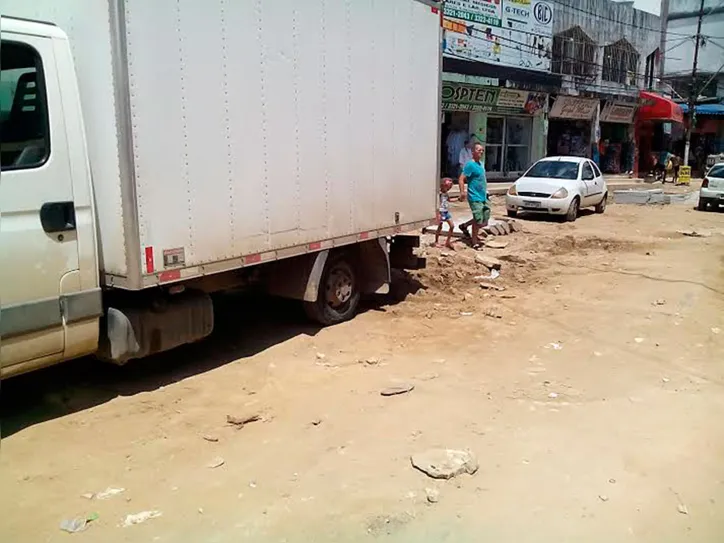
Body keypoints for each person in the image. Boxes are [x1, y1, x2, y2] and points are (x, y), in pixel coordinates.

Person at [458, 142, 489, 249]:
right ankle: (474, 241)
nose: (481, 152)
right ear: (473, 152)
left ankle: (465, 226)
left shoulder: (481, 164)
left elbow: (482, 179)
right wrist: (462, 192)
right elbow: (461, 179)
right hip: (474, 196)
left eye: (482, 150)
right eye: (479, 150)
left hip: (483, 195)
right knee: (477, 219)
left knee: (484, 220)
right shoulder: (469, 165)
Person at [434, 178, 455, 249]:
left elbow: (449, 200)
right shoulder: (439, 194)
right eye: (447, 187)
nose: (448, 189)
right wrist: (438, 212)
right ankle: (436, 241)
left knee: (452, 226)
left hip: (446, 211)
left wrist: (458, 199)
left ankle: (448, 241)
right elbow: (436, 203)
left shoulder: (446, 193)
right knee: (440, 226)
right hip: (441, 212)